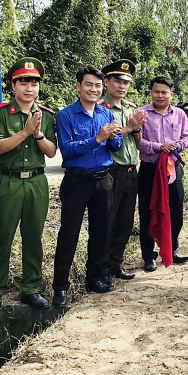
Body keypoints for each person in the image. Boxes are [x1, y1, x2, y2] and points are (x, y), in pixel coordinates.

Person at [0, 57, 58, 313]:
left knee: (33, 237)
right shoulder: (0, 114)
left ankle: (31, 288)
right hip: (9, 180)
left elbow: (51, 152)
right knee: (2, 235)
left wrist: (37, 134)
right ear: (13, 85)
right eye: (23, 82)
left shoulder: (47, 116)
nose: (29, 88)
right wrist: (25, 132)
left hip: (37, 181)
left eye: (34, 83)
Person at [52, 67, 123, 306]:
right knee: (69, 234)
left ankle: (96, 276)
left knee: (101, 231)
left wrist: (114, 137)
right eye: (89, 85)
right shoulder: (66, 115)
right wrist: (98, 139)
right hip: (77, 181)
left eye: (98, 85)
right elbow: (68, 150)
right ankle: (60, 286)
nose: (94, 90)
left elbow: (117, 145)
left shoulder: (105, 113)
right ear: (78, 86)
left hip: (103, 179)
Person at [137, 76, 188, 271]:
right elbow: (139, 142)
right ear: (151, 92)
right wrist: (160, 147)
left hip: (173, 170)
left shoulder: (179, 114)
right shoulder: (141, 114)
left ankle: (172, 249)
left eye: (164, 92)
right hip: (150, 170)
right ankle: (149, 256)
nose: (160, 95)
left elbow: (187, 137)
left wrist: (176, 146)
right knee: (148, 212)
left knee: (176, 211)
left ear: (171, 94)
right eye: (156, 91)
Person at [101, 59, 147, 281]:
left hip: (131, 170)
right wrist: (130, 128)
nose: (122, 86)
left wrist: (137, 130)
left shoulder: (130, 108)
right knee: (107, 220)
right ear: (106, 81)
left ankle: (116, 264)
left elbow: (138, 142)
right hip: (112, 170)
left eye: (126, 82)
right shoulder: (100, 108)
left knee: (125, 221)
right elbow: (105, 137)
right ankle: (102, 268)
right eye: (117, 81)